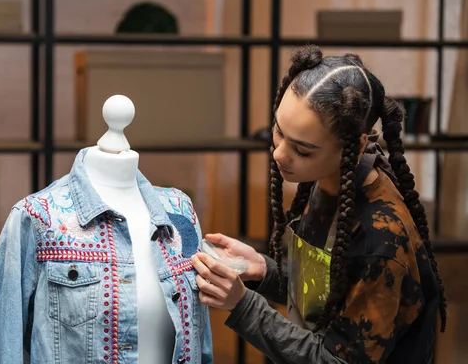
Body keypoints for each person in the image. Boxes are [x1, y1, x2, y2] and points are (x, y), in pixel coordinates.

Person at [191, 45, 446, 364]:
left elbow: (336, 360)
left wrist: (243, 305)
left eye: (303, 150)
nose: (279, 154)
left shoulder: (382, 241)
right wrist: (262, 271)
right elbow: (327, 297)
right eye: (278, 133)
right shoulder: (327, 177)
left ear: (357, 145)